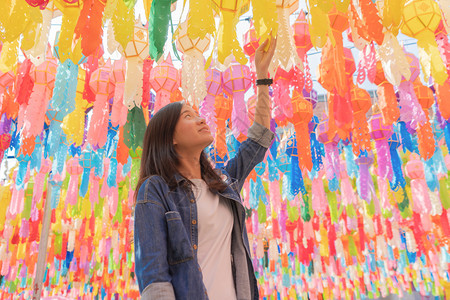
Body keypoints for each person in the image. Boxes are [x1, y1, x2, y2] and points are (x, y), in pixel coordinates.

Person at [134, 36, 277, 300]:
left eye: (197, 114)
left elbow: (258, 140)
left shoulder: (225, 182)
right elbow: (154, 278)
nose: (201, 119)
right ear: (171, 138)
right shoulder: (155, 189)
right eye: (188, 116)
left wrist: (262, 77)